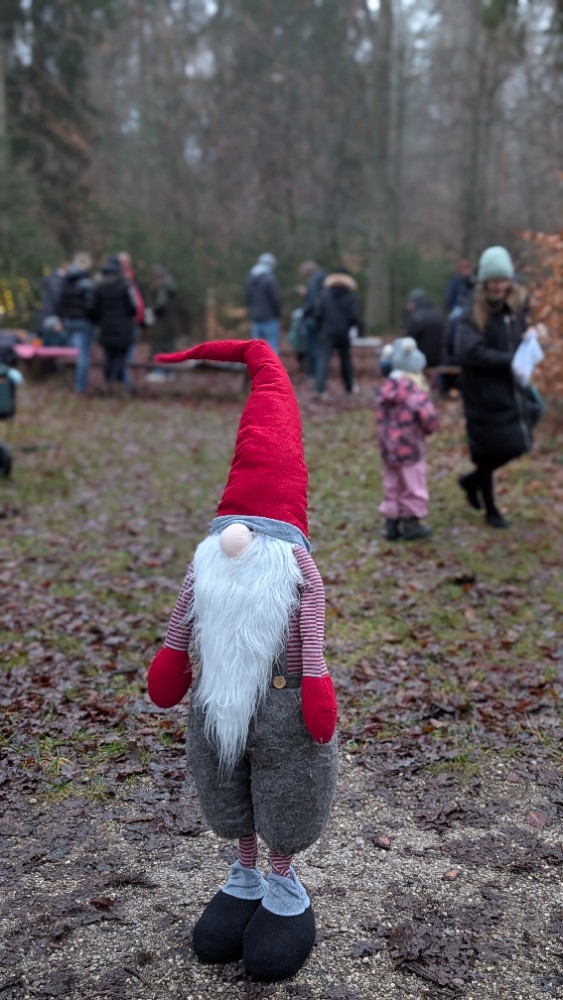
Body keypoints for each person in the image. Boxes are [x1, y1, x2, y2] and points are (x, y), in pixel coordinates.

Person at [147, 339, 338, 983]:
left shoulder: (294, 569)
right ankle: (245, 874)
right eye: (234, 525)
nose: (238, 538)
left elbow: (312, 602)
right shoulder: (211, 564)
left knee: (289, 781)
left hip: (284, 701)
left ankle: (284, 887)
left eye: (257, 530)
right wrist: (174, 657)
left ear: (284, 540)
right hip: (219, 696)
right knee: (223, 777)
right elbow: (186, 608)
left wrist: (315, 681)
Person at [456, 246, 539, 529]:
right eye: (494, 281)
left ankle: (470, 482)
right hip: (483, 392)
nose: (499, 286)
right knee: (487, 450)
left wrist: (531, 335)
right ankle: (490, 508)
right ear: (485, 281)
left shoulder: (516, 306)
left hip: (511, 389)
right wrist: (509, 360)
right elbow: (469, 352)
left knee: (520, 439)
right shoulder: (472, 311)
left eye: (503, 280)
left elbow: (520, 335)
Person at [375, 337, 437, 541]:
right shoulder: (414, 392)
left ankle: (391, 524)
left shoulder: (386, 390)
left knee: (391, 484)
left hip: (389, 450)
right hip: (410, 449)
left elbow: (380, 418)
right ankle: (411, 523)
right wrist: (429, 429)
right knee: (413, 485)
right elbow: (428, 418)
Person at [90, 255, 137, 388]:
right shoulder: (125, 284)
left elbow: (93, 307)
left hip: (106, 328)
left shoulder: (99, 285)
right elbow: (133, 307)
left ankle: (109, 383)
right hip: (124, 329)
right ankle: (118, 384)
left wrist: (99, 320)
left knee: (109, 357)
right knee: (121, 357)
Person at [315, 268, 360, 398]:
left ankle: (319, 388)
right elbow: (354, 317)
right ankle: (349, 386)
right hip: (343, 333)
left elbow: (318, 314)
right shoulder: (350, 297)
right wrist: (348, 327)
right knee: (345, 360)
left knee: (323, 359)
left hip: (327, 332)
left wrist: (321, 328)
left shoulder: (324, 295)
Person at [59, 253, 96, 394]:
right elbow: (91, 305)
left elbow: (61, 302)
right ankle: (80, 386)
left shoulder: (65, 282)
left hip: (69, 321)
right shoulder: (86, 284)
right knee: (83, 354)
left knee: (71, 352)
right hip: (83, 322)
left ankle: (69, 380)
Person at [118, 252, 145, 387]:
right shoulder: (120, 279)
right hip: (124, 322)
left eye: (126, 261)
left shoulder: (132, 276)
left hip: (134, 321)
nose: (124, 264)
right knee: (122, 353)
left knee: (129, 353)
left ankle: (125, 381)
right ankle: (123, 382)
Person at [245, 253, 281, 354]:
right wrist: (278, 314)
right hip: (270, 317)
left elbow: (248, 298)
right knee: (272, 345)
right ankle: (271, 369)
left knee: (256, 346)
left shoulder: (251, 278)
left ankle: (257, 368)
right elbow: (275, 300)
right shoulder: (270, 279)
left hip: (256, 317)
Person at [147, 265, 178, 381]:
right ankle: (170, 373)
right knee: (169, 347)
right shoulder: (170, 285)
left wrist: (152, 310)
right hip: (169, 322)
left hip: (161, 323)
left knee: (158, 347)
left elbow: (161, 304)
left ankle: (159, 372)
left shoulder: (161, 287)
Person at [404, 289, 445, 369]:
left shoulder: (415, 317)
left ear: (413, 303)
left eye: (409, 303)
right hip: (438, 360)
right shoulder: (437, 314)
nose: (407, 306)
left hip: (420, 361)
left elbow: (408, 341)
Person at [299, 260, 326, 378]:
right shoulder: (323, 278)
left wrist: (305, 312)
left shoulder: (314, 280)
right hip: (322, 318)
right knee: (318, 346)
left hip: (313, 318)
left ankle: (313, 373)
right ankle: (318, 372)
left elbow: (312, 300)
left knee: (312, 346)